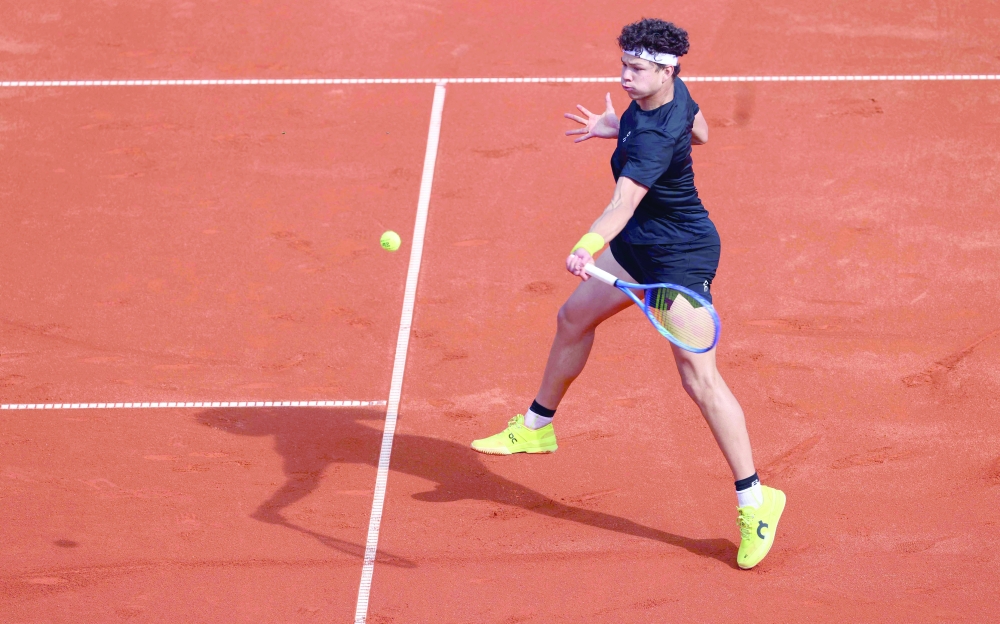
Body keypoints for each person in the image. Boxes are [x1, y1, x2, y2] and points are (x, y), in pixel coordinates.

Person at [470, 18, 785, 569]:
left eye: (635, 69)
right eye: (623, 65)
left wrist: (585, 246)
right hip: (642, 247)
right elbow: (703, 133)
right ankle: (538, 427)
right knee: (573, 318)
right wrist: (619, 127)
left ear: (664, 70)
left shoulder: (658, 132)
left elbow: (622, 204)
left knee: (699, 378)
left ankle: (757, 500)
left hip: (678, 258)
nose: (624, 77)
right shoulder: (670, 96)